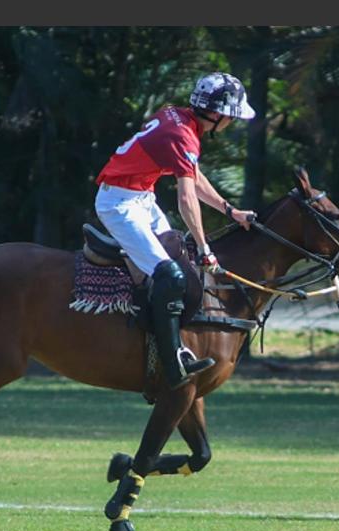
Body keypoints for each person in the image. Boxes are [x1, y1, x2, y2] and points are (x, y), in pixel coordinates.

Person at [94, 72, 258, 390]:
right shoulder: (183, 135)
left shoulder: (180, 118)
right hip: (119, 204)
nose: (230, 122)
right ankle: (173, 361)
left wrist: (229, 210)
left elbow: (193, 177)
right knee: (170, 275)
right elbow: (185, 199)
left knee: (180, 262)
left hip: (142, 198)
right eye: (230, 116)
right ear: (215, 113)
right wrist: (205, 247)